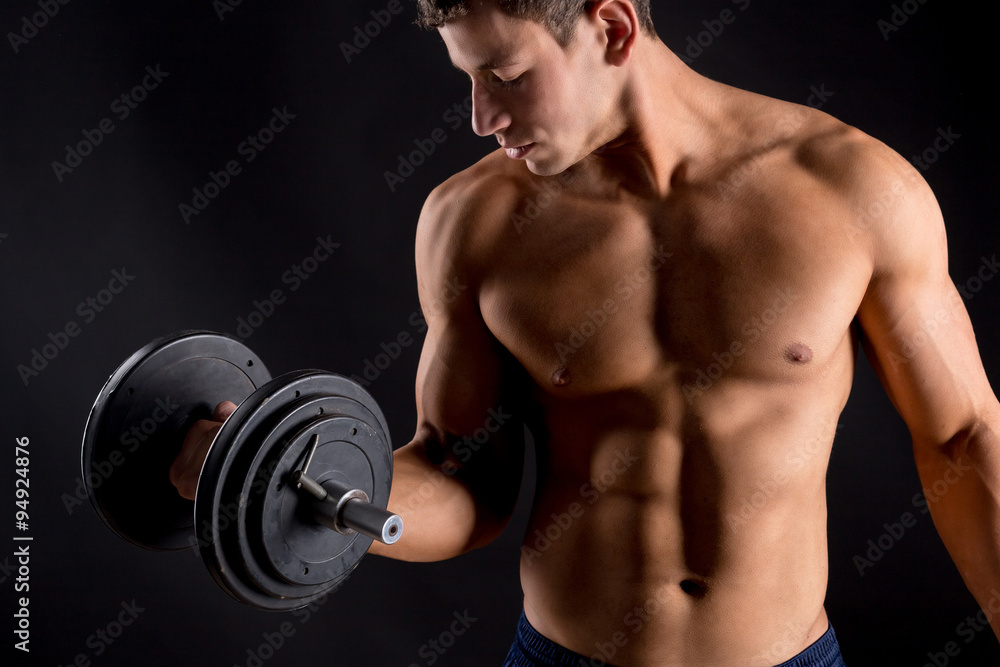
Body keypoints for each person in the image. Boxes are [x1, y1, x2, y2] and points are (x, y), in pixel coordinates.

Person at [171, 1, 1000, 664]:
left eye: (505, 75)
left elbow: (963, 437)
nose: (480, 116)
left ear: (611, 29)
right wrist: (279, 475)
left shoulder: (852, 190)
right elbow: (463, 480)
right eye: (468, 79)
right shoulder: (475, 223)